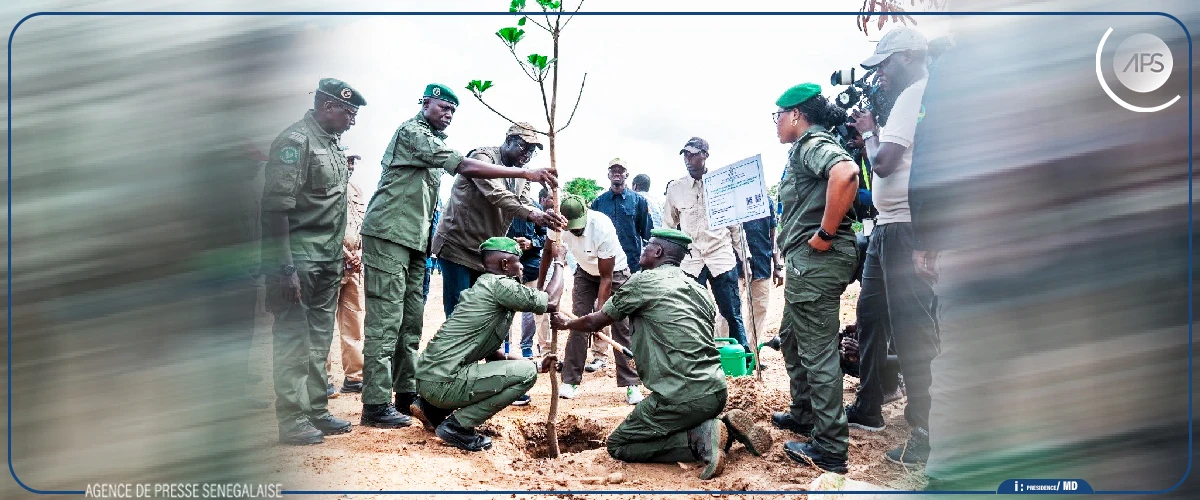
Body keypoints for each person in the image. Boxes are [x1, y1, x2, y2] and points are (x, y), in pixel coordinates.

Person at [359, 83, 558, 429]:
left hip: (429, 243)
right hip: (425, 241)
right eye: (442, 107)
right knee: (400, 321)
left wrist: (542, 214)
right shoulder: (425, 137)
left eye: (453, 110)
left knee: (411, 323)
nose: (448, 114)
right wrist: (528, 191)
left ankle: (407, 396)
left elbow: (518, 202)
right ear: (425, 103)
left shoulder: (440, 145)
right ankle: (376, 403)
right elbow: (479, 179)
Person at [550, 229, 773, 480]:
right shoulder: (698, 289)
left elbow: (595, 321)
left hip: (679, 397)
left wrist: (565, 324)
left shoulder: (643, 282)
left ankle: (700, 439)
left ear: (658, 252)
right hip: (716, 390)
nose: (642, 250)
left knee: (620, 444)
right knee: (673, 422)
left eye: (647, 246)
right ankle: (718, 428)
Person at [845, 26, 940, 467]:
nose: (879, 73)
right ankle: (869, 406)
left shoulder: (915, 94)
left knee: (912, 329)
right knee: (869, 317)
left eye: (883, 64)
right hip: (887, 227)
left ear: (907, 57)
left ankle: (927, 429)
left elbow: (883, 163)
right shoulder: (914, 97)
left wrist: (869, 133)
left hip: (905, 229)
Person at [260, 78, 365, 445]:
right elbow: (276, 209)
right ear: (326, 105)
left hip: (328, 261)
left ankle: (316, 409)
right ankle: (291, 418)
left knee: (319, 339)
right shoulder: (295, 142)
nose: (352, 120)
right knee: (293, 338)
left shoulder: (333, 145)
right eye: (347, 111)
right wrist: (285, 268)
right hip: (300, 261)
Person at [769, 82, 860, 473]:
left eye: (777, 115)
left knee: (817, 352)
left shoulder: (812, 144)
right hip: (806, 265)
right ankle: (805, 413)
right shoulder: (804, 148)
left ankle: (830, 447)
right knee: (791, 337)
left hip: (817, 262)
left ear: (795, 115)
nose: (775, 122)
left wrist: (824, 233)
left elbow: (847, 173)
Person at [408, 237, 553, 451]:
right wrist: (559, 262)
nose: (522, 266)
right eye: (518, 261)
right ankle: (458, 427)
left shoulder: (483, 288)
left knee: (528, 369)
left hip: (429, 379)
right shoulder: (501, 285)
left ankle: (432, 410)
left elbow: (495, 356)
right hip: (443, 382)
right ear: (505, 265)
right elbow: (552, 302)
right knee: (526, 375)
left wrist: (538, 365)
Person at [431, 122, 566, 318]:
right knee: (459, 314)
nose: (527, 154)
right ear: (509, 140)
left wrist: (543, 216)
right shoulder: (483, 158)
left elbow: (524, 202)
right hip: (458, 246)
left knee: (483, 312)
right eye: (523, 146)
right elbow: (497, 194)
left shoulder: (524, 174)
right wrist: (533, 214)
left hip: (487, 253)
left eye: (532, 150)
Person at [551, 194, 643, 404]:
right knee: (577, 322)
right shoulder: (555, 225)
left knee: (622, 326)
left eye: (578, 227)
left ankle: (631, 384)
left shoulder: (601, 226)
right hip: (585, 272)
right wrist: (541, 286)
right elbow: (549, 252)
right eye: (571, 228)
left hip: (615, 274)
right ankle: (570, 380)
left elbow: (606, 278)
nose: (575, 231)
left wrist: (600, 317)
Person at [663, 137, 751, 350]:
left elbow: (736, 228)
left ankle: (742, 356)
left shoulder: (722, 184)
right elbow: (668, 226)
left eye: (693, 154)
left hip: (721, 257)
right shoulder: (675, 188)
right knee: (693, 314)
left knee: (732, 313)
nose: (688, 159)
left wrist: (745, 258)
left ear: (705, 155)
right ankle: (699, 357)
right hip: (692, 260)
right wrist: (667, 262)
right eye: (685, 154)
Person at [323, 154, 366, 399]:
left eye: (352, 162)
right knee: (323, 324)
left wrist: (359, 254)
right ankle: (323, 379)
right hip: (329, 263)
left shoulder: (356, 190)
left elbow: (362, 226)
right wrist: (343, 253)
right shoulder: (322, 189)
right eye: (346, 160)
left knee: (353, 323)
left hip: (354, 268)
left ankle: (354, 377)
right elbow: (321, 226)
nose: (350, 166)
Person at [716, 197, 783, 345]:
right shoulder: (727, 199)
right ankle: (722, 351)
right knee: (728, 311)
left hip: (762, 263)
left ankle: (751, 352)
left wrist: (777, 264)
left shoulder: (765, 200)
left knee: (759, 310)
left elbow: (772, 233)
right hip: (733, 266)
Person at [506, 188, 552, 360]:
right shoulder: (500, 207)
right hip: (506, 268)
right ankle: (505, 351)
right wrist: (509, 244)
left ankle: (545, 351)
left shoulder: (535, 209)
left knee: (540, 309)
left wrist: (531, 243)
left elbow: (545, 237)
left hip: (532, 268)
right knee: (504, 310)